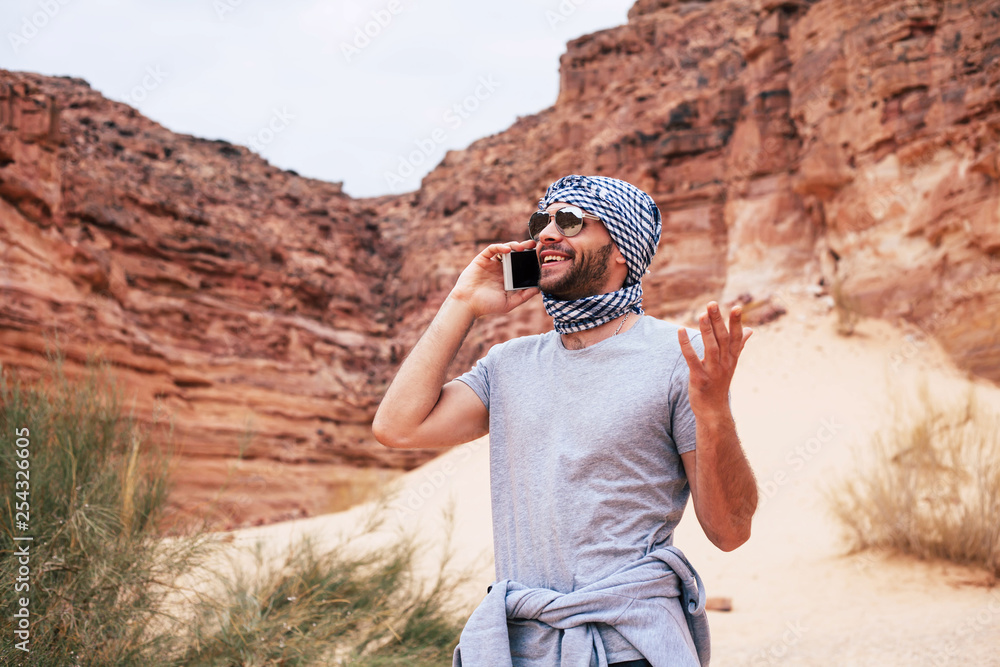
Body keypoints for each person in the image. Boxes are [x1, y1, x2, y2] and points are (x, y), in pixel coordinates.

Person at [373, 174, 758, 667]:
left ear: (622, 247)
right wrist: (463, 303)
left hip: (631, 647)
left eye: (571, 221)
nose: (547, 234)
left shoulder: (679, 357)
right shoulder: (508, 364)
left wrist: (714, 409)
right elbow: (398, 427)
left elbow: (730, 531)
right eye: (542, 221)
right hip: (519, 648)